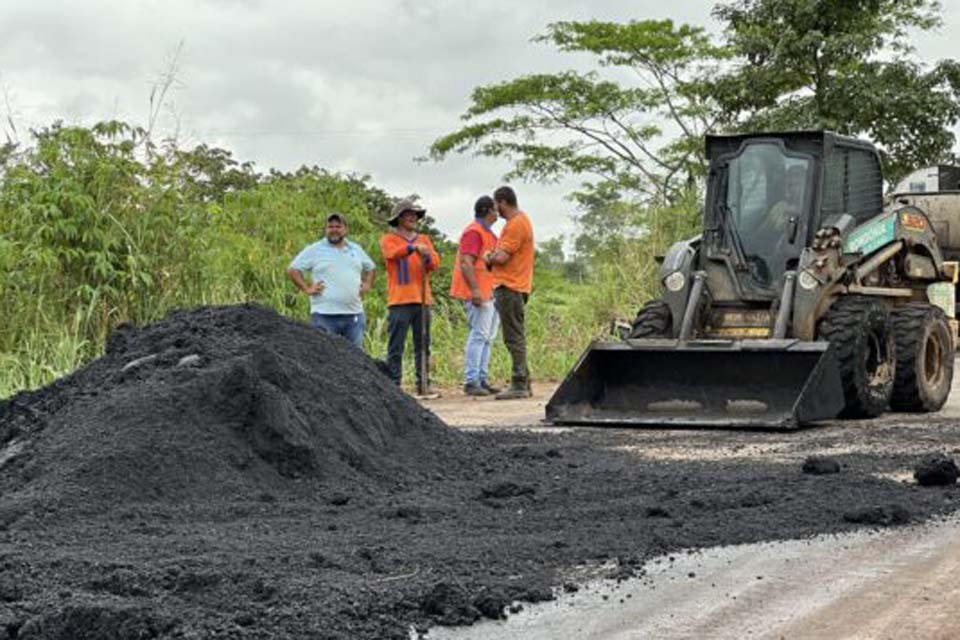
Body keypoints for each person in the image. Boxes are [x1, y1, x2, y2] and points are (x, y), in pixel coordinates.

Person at [286, 212, 375, 349]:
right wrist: (306, 288)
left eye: (338, 226)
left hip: (354, 316)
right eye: (330, 227)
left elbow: (371, 267)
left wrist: (368, 284)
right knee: (325, 360)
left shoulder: (356, 249)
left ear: (345, 229)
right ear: (326, 229)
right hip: (324, 316)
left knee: (356, 361)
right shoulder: (315, 249)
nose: (334, 230)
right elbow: (293, 269)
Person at [380, 199, 440, 396]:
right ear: (399, 218)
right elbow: (391, 254)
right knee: (396, 345)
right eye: (408, 214)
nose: (413, 218)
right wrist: (412, 249)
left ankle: (423, 382)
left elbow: (434, 264)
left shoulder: (424, 239)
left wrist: (426, 256)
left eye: (415, 215)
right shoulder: (389, 239)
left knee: (423, 344)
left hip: (422, 299)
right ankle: (394, 384)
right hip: (399, 300)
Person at [484, 186, 535, 400]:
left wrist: (488, 256)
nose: (496, 210)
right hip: (514, 286)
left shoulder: (515, 225)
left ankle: (519, 382)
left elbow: (502, 257)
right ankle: (524, 380)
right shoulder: (519, 222)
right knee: (514, 335)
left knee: (513, 336)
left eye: (496, 205)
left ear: (503, 202)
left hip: (510, 286)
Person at [450, 196, 501, 396]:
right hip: (479, 292)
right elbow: (466, 263)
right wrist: (475, 290)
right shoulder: (474, 232)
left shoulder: (489, 234)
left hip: (489, 290)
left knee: (488, 337)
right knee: (479, 335)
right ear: (488, 211)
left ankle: (482, 378)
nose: (498, 214)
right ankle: (471, 380)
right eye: (495, 210)